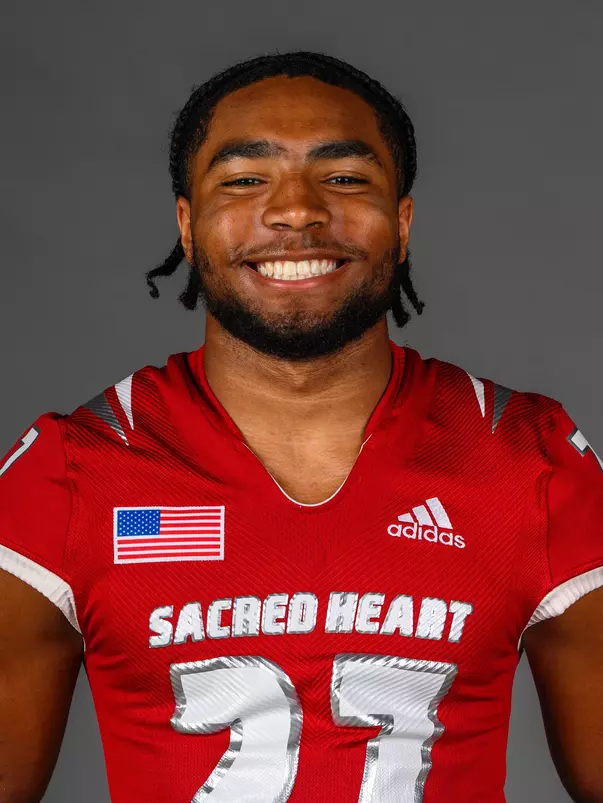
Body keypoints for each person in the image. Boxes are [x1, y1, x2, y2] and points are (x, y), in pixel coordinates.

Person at [0, 50, 602, 803]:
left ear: (402, 220)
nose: (296, 211)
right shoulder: (73, 468)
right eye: (245, 179)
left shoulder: (525, 456)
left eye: (344, 178)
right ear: (187, 225)